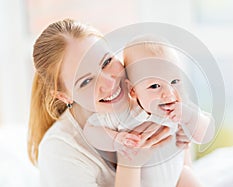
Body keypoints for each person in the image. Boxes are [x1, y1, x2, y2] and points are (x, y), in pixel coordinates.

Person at [27, 19, 190, 187]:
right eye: (86, 81)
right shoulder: (60, 152)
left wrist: (181, 139)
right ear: (64, 96)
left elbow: (181, 172)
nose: (110, 83)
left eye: (106, 62)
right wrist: (130, 163)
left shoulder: (145, 91)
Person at [83, 35, 215, 186]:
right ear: (132, 90)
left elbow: (206, 134)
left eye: (175, 81)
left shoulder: (182, 107)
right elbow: (90, 129)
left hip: (178, 179)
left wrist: (190, 117)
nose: (169, 94)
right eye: (154, 86)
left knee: (189, 176)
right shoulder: (125, 114)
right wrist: (116, 139)